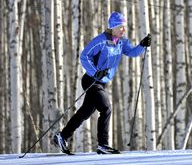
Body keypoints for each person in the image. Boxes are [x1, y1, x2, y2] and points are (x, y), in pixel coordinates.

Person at [52, 12, 152, 154]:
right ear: (112, 27)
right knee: (106, 108)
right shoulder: (101, 41)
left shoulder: (122, 42)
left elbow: (131, 52)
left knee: (85, 113)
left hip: (101, 82)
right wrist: (95, 72)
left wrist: (142, 45)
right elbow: (84, 56)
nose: (124, 29)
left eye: (124, 27)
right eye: (120, 27)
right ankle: (103, 145)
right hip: (91, 80)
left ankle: (62, 137)